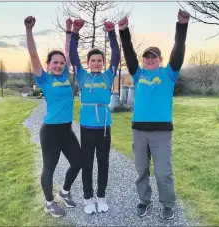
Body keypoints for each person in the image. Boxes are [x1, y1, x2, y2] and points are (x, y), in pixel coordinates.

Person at [118, 9, 190, 220]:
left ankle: (168, 204)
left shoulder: (168, 73)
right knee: (141, 170)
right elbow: (130, 54)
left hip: (161, 132)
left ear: (160, 59)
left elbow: (178, 52)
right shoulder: (139, 75)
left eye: (153, 57)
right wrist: (123, 30)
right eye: (147, 57)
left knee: (163, 172)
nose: (149, 60)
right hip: (139, 131)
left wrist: (182, 26)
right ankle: (144, 200)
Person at [24, 16, 82, 217]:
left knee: (78, 161)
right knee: (50, 167)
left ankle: (64, 192)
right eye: (55, 62)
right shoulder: (45, 79)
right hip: (50, 131)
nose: (59, 65)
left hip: (66, 129)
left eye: (61, 63)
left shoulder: (65, 76)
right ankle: (49, 203)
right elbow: (32, 55)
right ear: (48, 64)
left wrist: (68, 30)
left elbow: (66, 52)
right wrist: (29, 30)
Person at [69, 19, 120, 214]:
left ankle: (101, 196)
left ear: (103, 63)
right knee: (87, 162)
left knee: (103, 162)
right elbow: (73, 55)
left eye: (99, 60)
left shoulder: (108, 76)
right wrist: (75, 32)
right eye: (93, 60)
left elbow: (116, 55)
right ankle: (87, 197)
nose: (96, 63)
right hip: (87, 127)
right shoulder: (82, 75)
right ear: (88, 63)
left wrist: (112, 33)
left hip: (105, 127)